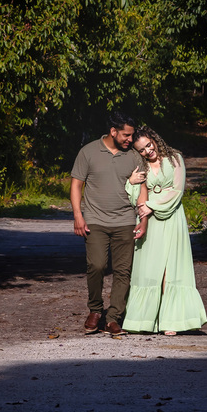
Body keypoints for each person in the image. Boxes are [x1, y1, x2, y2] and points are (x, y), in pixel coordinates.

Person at [122, 126, 207, 335]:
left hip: (172, 218)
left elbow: (177, 191)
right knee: (149, 269)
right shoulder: (140, 165)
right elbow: (136, 196)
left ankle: (172, 321)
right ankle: (145, 320)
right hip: (149, 221)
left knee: (171, 268)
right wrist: (130, 182)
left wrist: (152, 204)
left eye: (148, 145)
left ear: (155, 139)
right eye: (141, 150)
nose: (147, 151)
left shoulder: (175, 159)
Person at [70, 111, 147, 336]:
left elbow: (142, 188)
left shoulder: (133, 156)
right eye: (126, 135)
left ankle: (113, 318)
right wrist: (77, 215)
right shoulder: (88, 152)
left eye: (131, 136)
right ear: (113, 132)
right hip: (95, 221)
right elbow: (76, 185)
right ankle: (95, 310)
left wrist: (143, 220)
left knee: (123, 271)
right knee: (97, 265)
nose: (129, 140)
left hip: (125, 221)